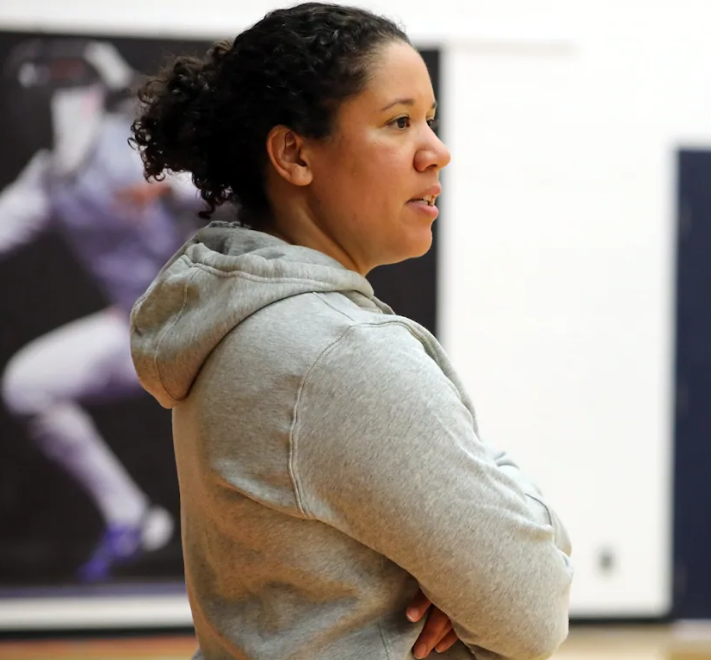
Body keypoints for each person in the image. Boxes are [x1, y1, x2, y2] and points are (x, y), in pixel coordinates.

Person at [127, 3, 574, 659]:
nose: (437, 151)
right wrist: (533, 536)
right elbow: (532, 609)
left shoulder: (241, 320)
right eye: (398, 122)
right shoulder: (339, 356)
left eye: (431, 120)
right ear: (294, 154)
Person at [0, 37, 199, 583]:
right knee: (27, 385)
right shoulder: (48, 179)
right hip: (141, 328)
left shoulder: (139, 147)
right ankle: (130, 518)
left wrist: (173, 187)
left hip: (213, 328)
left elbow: (240, 191)